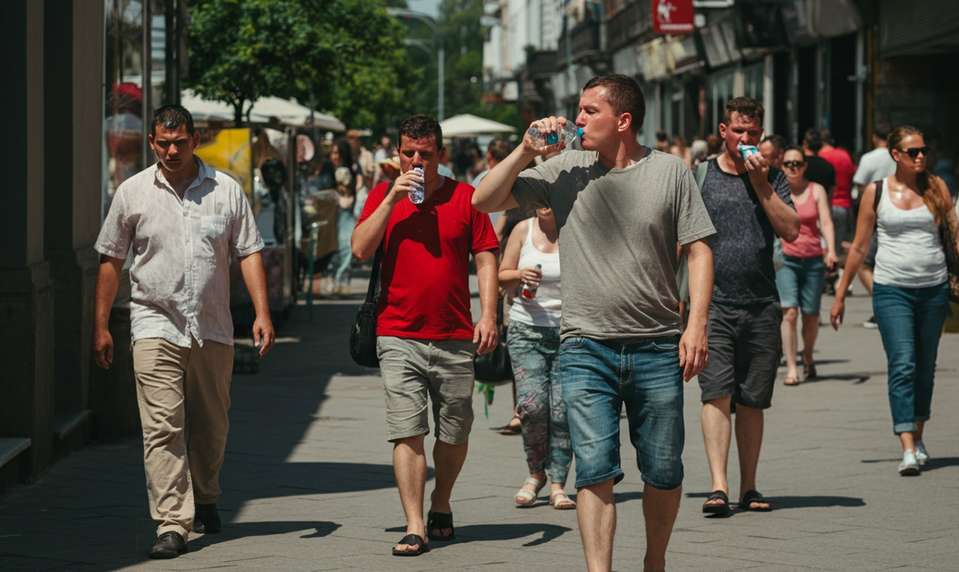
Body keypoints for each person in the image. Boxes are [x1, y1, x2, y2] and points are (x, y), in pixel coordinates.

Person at [474, 73, 716, 572]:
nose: (576, 118)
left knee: (664, 471)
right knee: (595, 472)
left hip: (656, 347)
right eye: (578, 109)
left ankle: (654, 561)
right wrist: (523, 150)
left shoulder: (671, 172)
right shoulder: (564, 168)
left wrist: (696, 325)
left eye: (589, 111)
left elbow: (698, 249)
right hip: (584, 347)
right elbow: (483, 199)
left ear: (622, 120)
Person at [92, 105, 275, 559]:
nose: (171, 150)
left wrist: (262, 313)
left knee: (212, 426)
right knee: (161, 428)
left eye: (179, 142)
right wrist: (100, 326)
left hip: (212, 325)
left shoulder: (225, 190)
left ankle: (206, 495)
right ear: (152, 143)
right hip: (154, 322)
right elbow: (111, 260)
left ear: (195, 139)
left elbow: (249, 252)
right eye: (163, 143)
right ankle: (173, 521)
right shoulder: (132, 192)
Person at [351, 113, 500, 556]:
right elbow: (360, 249)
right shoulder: (383, 194)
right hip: (397, 333)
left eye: (426, 154)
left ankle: (441, 502)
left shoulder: (467, 197)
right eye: (408, 153)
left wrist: (489, 314)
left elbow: (487, 256)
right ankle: (415, 524)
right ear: (398, 153)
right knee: (406, 430)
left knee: (454, 431)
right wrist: (389, 202)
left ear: (442, 155)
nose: (417, 161)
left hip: (454, 334)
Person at [830, 125, 957, 476]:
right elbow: (858, 247)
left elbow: (954, 236)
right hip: (891, 290)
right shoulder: (876, 191)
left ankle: (918, 436)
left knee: (926, 368)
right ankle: (906, 444)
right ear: (895, 155)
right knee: (903, 362)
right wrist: (840, 296)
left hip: (933, 289)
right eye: (913, 151)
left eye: (924, 150)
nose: (920, 156)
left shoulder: (937, 187)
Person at [698, 97, 800, 516]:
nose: (745, 139)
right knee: (716, 394)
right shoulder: (701, 174)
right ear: (724, 131)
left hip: (760, 303)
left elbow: (791, 231)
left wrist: (761, 186)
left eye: (753, 133)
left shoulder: (773, 177)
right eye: (738, 131)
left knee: (754, 400)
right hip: (714, 303)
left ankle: (749, 486)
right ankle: (719, 487)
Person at [498, 207, 574, 510]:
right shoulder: (522, 230)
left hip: (568, 332)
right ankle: (535, 473)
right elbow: (502, 276)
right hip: (525, 330)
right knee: (531, 407)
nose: (544, 204)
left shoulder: (574, 229)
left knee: (561, 411)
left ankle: (557, 483)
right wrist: (519, 274)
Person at [776, 146, 839, 385]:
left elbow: (826, 221)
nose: (793, 168)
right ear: (782, 166)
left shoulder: (816, 190)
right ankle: (792, 366)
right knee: (789, 312)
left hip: (813, 259)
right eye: (788, 163)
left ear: (804, 166)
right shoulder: (777, 191)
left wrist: (831, 250)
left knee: (811, 315)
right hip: (786, 258)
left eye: (797, 164)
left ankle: (809, 355)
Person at [852, 123, 898, 328]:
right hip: (898, 211)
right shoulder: (898, 157)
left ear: (874, 138)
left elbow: (861, 183)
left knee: (865, 264)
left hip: (875, 214)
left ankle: (884, 304)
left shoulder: (869, 158)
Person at [328, 139, 358, 295]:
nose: (333, 155)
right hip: (337, 214)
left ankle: (338, 281)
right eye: (332, 152)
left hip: (341, 213)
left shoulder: (342, 171)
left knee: (343, 247)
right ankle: (339, 282)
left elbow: (346, 199)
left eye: (336, 152)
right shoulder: (336, 169)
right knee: (340, 249)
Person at [820, 129, 856, 256]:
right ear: (832, 141)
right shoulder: (844, 155)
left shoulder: (819, 157)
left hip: (824, 207)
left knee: (822, 249)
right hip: (844, 206)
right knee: (835, 250)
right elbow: (853, 176)